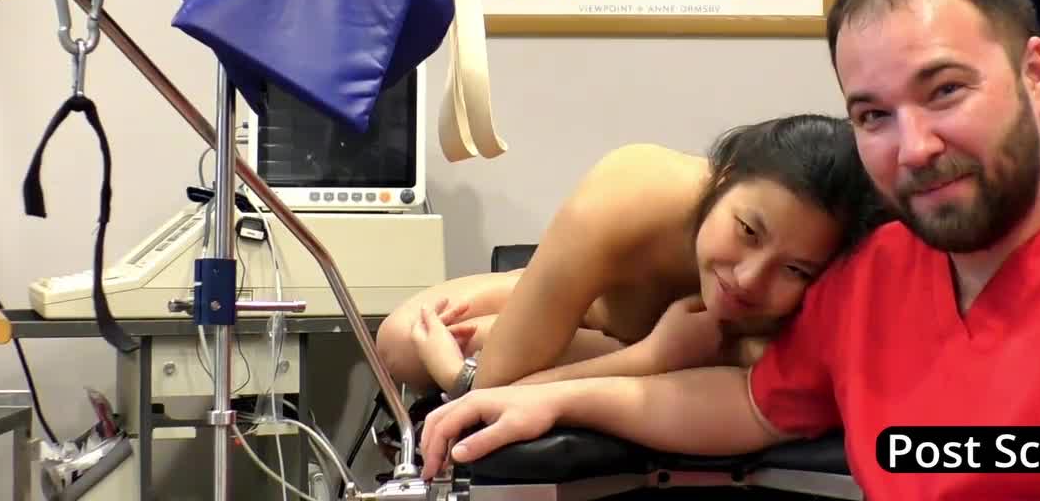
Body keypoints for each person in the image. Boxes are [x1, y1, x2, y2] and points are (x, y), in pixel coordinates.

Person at [417, 0, 1040, 500]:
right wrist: (561, 403)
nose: (914, 148)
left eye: (946, 91)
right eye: (874, 114)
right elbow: (750, 404)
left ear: (1035, 76)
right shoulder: (876, 273)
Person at [374, 114, 888, 400]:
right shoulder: (629, 191)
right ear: (723, 180)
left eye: (795, 269)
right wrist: (659, 357)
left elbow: (489, 396)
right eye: (748, 231)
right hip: (597, 309)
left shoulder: (842, 277)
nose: (750, 278)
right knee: (401, 339)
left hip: (655, 345)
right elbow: (494, 388)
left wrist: (655, 359)